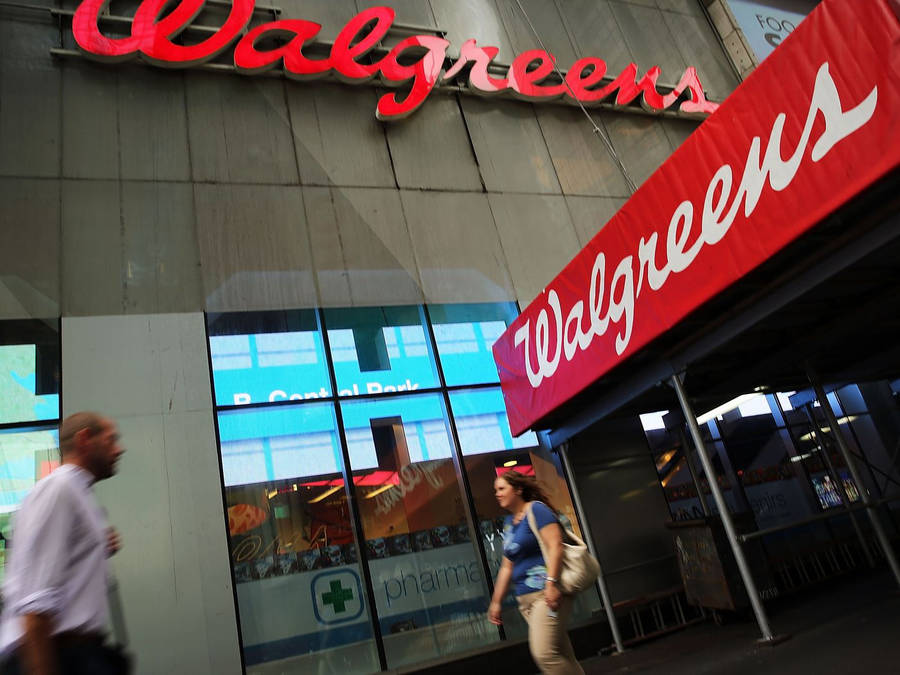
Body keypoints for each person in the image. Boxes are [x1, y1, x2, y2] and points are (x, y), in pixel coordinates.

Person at [0, 412, 127, 675]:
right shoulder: (59, 488)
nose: (119, 448)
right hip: (57, 655)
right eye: (110, 439)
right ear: (84, 440)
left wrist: (96, 547)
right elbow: (35, 602)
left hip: (79, 654)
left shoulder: (78, 492)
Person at [488, 471, 584, 675]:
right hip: (526, 601)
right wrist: (496, 602)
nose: (497, 494)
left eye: (502, 488)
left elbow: (555, 545)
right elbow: (507, 566)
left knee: (545, 654)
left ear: (518, 489)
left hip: (546, 595)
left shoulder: (536, 510)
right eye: (495, 490)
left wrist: (551, 584)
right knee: (561, 653)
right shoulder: (510, 524)